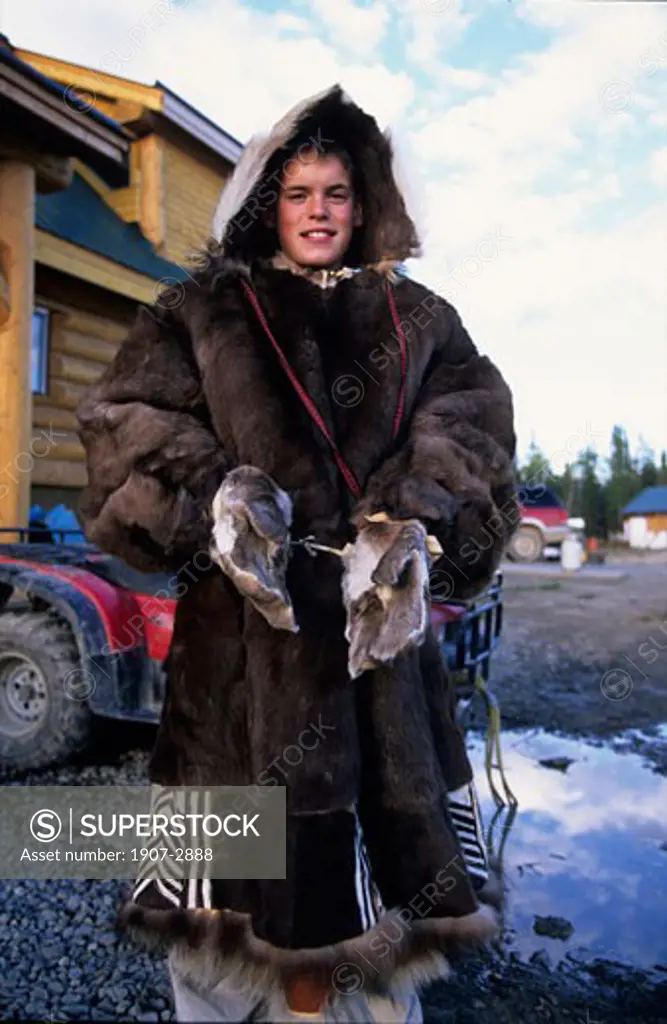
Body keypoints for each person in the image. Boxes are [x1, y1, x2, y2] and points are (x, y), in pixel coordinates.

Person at [76, 84, 518, 1023]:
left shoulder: (421, 319)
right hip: (240, 653)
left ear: (364, 206)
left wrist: (410, 524)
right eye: (300, 193)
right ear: (267, 202)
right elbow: (122, 424)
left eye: (337, 194)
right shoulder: (201, 310)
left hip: (377, 662)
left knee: (368, 918)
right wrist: (215, 496)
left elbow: (472, 429)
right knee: (222, 923)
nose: (319, 212)